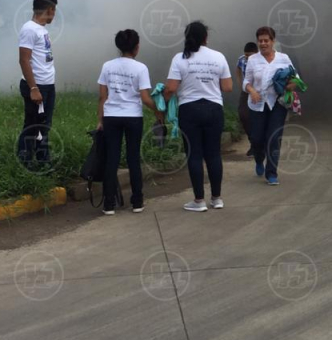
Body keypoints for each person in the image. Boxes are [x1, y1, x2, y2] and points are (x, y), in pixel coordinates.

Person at [165, 20, 233, 211]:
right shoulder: (218, 57)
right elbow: (228, 87)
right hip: (214, 109)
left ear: (187, 37)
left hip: (189, 110)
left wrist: (163, 100)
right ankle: (217, 198)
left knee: (194, 155)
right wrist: (209, 83)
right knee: (213, 154)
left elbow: (171, 88)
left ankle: (199, 201)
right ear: (206, 37)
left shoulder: (180, 58)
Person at [96, 29, 162, 215]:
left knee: (112, 159)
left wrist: (100, 120)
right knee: (133, 158)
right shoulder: (140, 68)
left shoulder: (107, 66)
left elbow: (102, 96)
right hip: (133, 117)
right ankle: (137, 202)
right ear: (136, 47)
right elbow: (145, 98)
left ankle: (109, 204)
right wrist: (158, 111)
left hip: (111, 117)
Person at [244, 26, 297, 186]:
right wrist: (252, 91)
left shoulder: (283, 58)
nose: (263, 43)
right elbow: (246, 81)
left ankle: (272, 173)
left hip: (277, 104)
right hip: (257, 104)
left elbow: (295, 77)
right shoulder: (253, 60)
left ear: (273, 41)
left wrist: (291, 85)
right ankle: (259, 159)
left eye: (266, 40)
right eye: (260, 41)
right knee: (257, 138)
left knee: (274, 138)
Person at [17, 0, 58, 168]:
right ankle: (26, 160)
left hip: (47, 85)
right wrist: (33, 88)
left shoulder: (41, 30)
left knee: (44, 125)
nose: (54, 14)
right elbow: (24, 59)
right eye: (54, 10)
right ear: (49, 9)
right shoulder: (29, 29)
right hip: (37, 86)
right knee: (33, 125)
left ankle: (42, 160)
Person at [236, 41, 258, 157]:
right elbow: (238, 70)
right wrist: (240, 84)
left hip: (259, 91)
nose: (248, 58)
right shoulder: (242, 59)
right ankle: (252, 142)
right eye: (246, 56)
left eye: (250, 56)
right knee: (243, 114)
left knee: (258, 117)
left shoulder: (262, 60)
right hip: (246, 90)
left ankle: (259, 144)